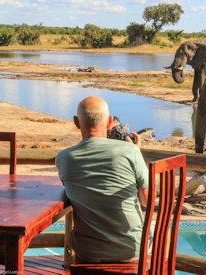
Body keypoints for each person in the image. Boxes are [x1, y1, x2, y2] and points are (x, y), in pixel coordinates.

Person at [55, 96, 149, 263]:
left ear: (77, 122)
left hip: (88, 253)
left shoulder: (64, 158)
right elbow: (146, 200)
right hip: (131, 250)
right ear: (110, 121)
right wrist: (135, 152)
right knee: (165, 230)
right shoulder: (130, 151)